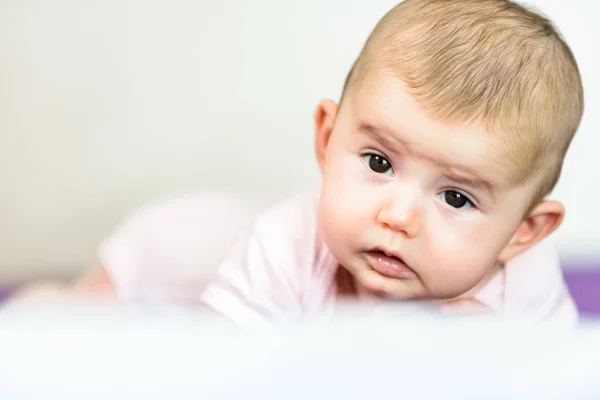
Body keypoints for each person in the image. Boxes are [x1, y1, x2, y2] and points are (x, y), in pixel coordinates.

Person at [7, 0, 584, 327]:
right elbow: (216, 376)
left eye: (456, 197)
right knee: (69, 328)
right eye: (379, 161)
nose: (399, 215)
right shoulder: (282, 248)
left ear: (522, 232)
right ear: (329, 138)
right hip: (182, 253)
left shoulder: (527, 286)